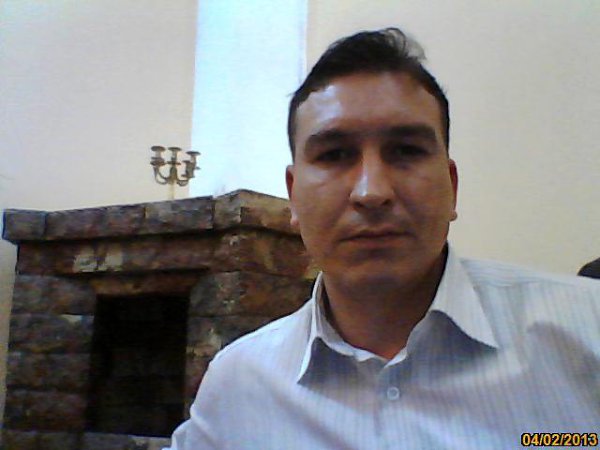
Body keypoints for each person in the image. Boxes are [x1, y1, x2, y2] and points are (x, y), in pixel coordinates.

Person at [166, 28, 600, 449]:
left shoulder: (587, 329)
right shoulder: (237, 385)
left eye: (406, 151)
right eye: (334, 155)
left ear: (452, 186)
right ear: (293, 195)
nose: (371, 192)